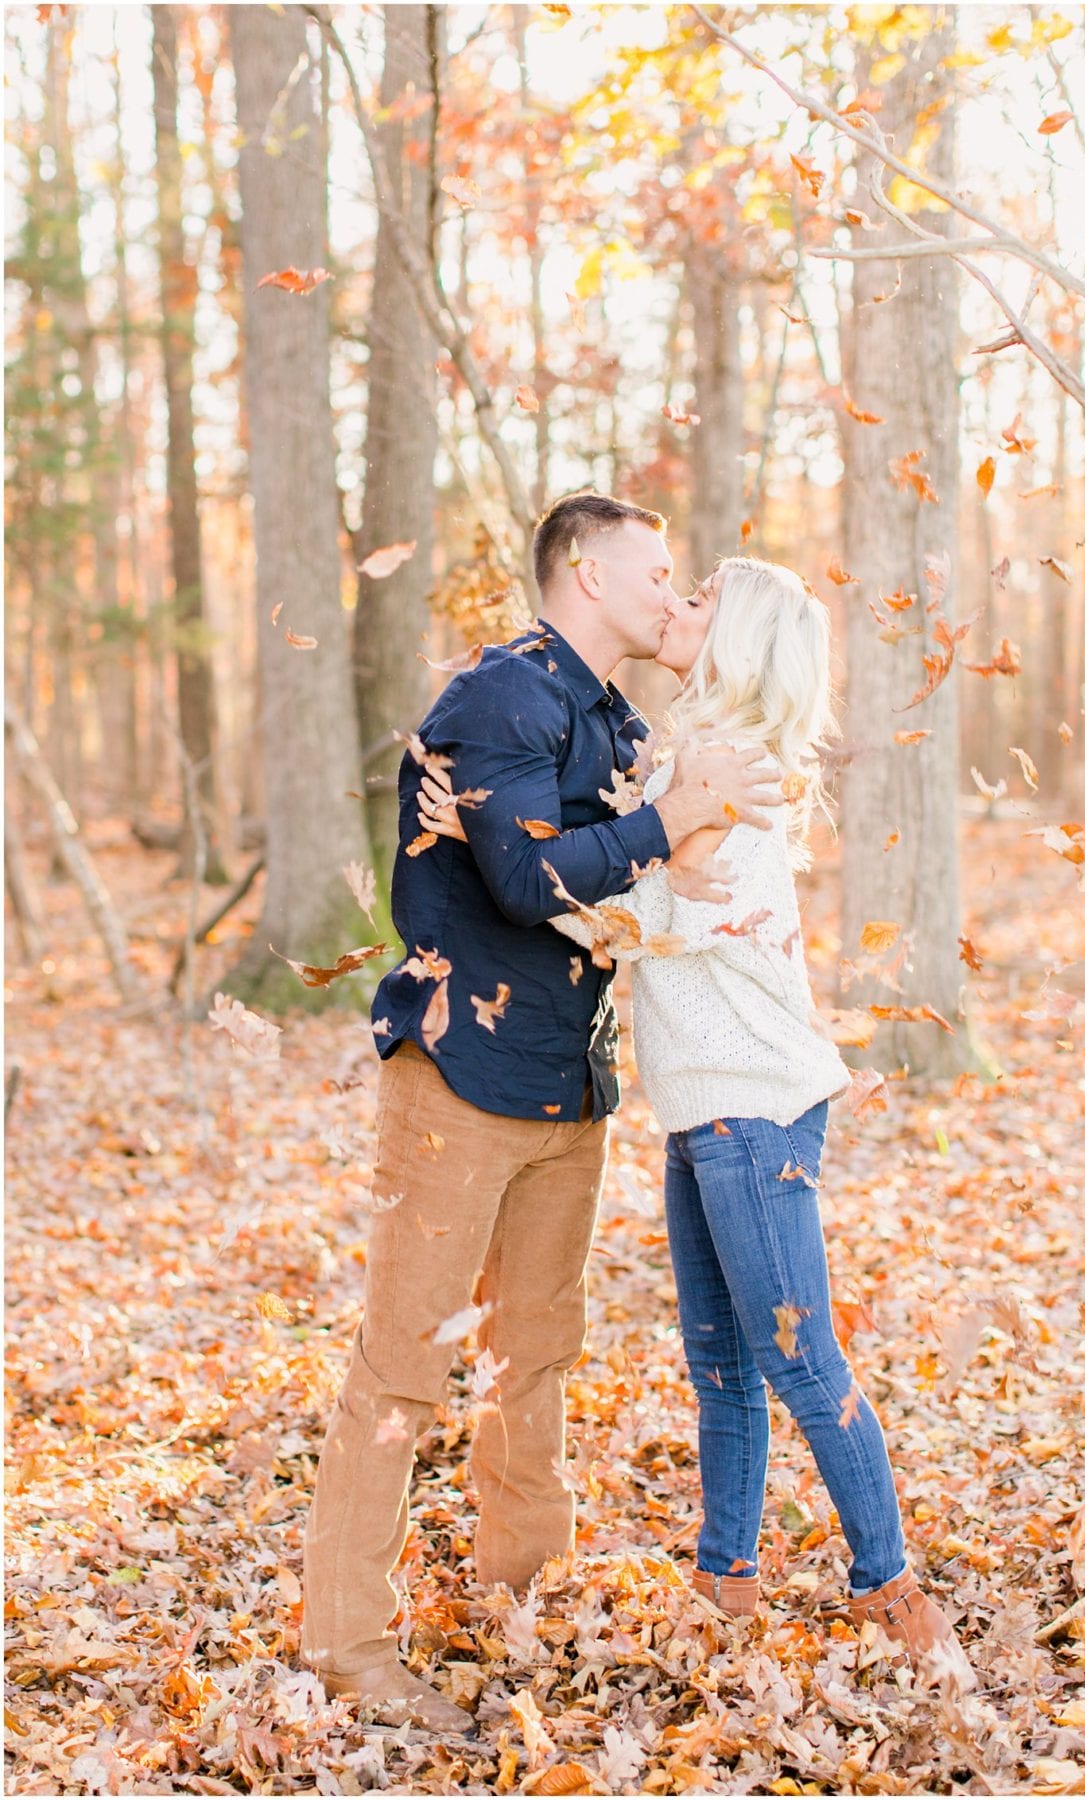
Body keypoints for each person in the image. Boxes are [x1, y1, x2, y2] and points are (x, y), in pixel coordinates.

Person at [420, 556, 976, 1693]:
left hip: (756, 1107)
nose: (675, 609)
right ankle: (725, 1580)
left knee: (799, 1360)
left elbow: (635, 896)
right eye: (674, 592)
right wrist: (492, 836)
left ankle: (893, 1588)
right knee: (720, 1364)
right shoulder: (689, 761)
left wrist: (514, 843)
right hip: (706, 1109)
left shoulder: (726, 769)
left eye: (699, 603)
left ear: (740, 644)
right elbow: (623, 916)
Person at [300, 494, 783, 1732]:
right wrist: (668, 824)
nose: (676, 595)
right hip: (461, 1077)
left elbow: (644, 875)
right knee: (405, 1363)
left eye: (686, 579)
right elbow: (522, 877)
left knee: (538, 1355)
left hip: (570, 1079)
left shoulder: (615, 718)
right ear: (582, 568)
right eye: (658, 572)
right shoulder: (499, 694)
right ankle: (347, 1646)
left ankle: (524, 1588)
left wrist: (696, 705)